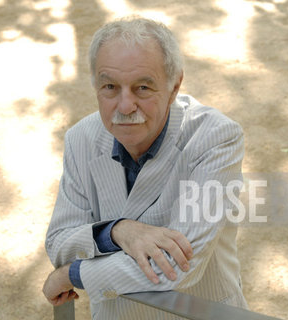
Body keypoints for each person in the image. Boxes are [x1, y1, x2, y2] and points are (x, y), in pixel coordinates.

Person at [43, 17, 247, 319]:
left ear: (174, 85)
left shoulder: (216, 138)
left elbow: (176, 268)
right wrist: (117, 231)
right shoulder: (80, 139)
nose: (125, 106)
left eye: (142, 87)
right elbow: (59, 243)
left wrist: (72, 275)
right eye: (110, 87)